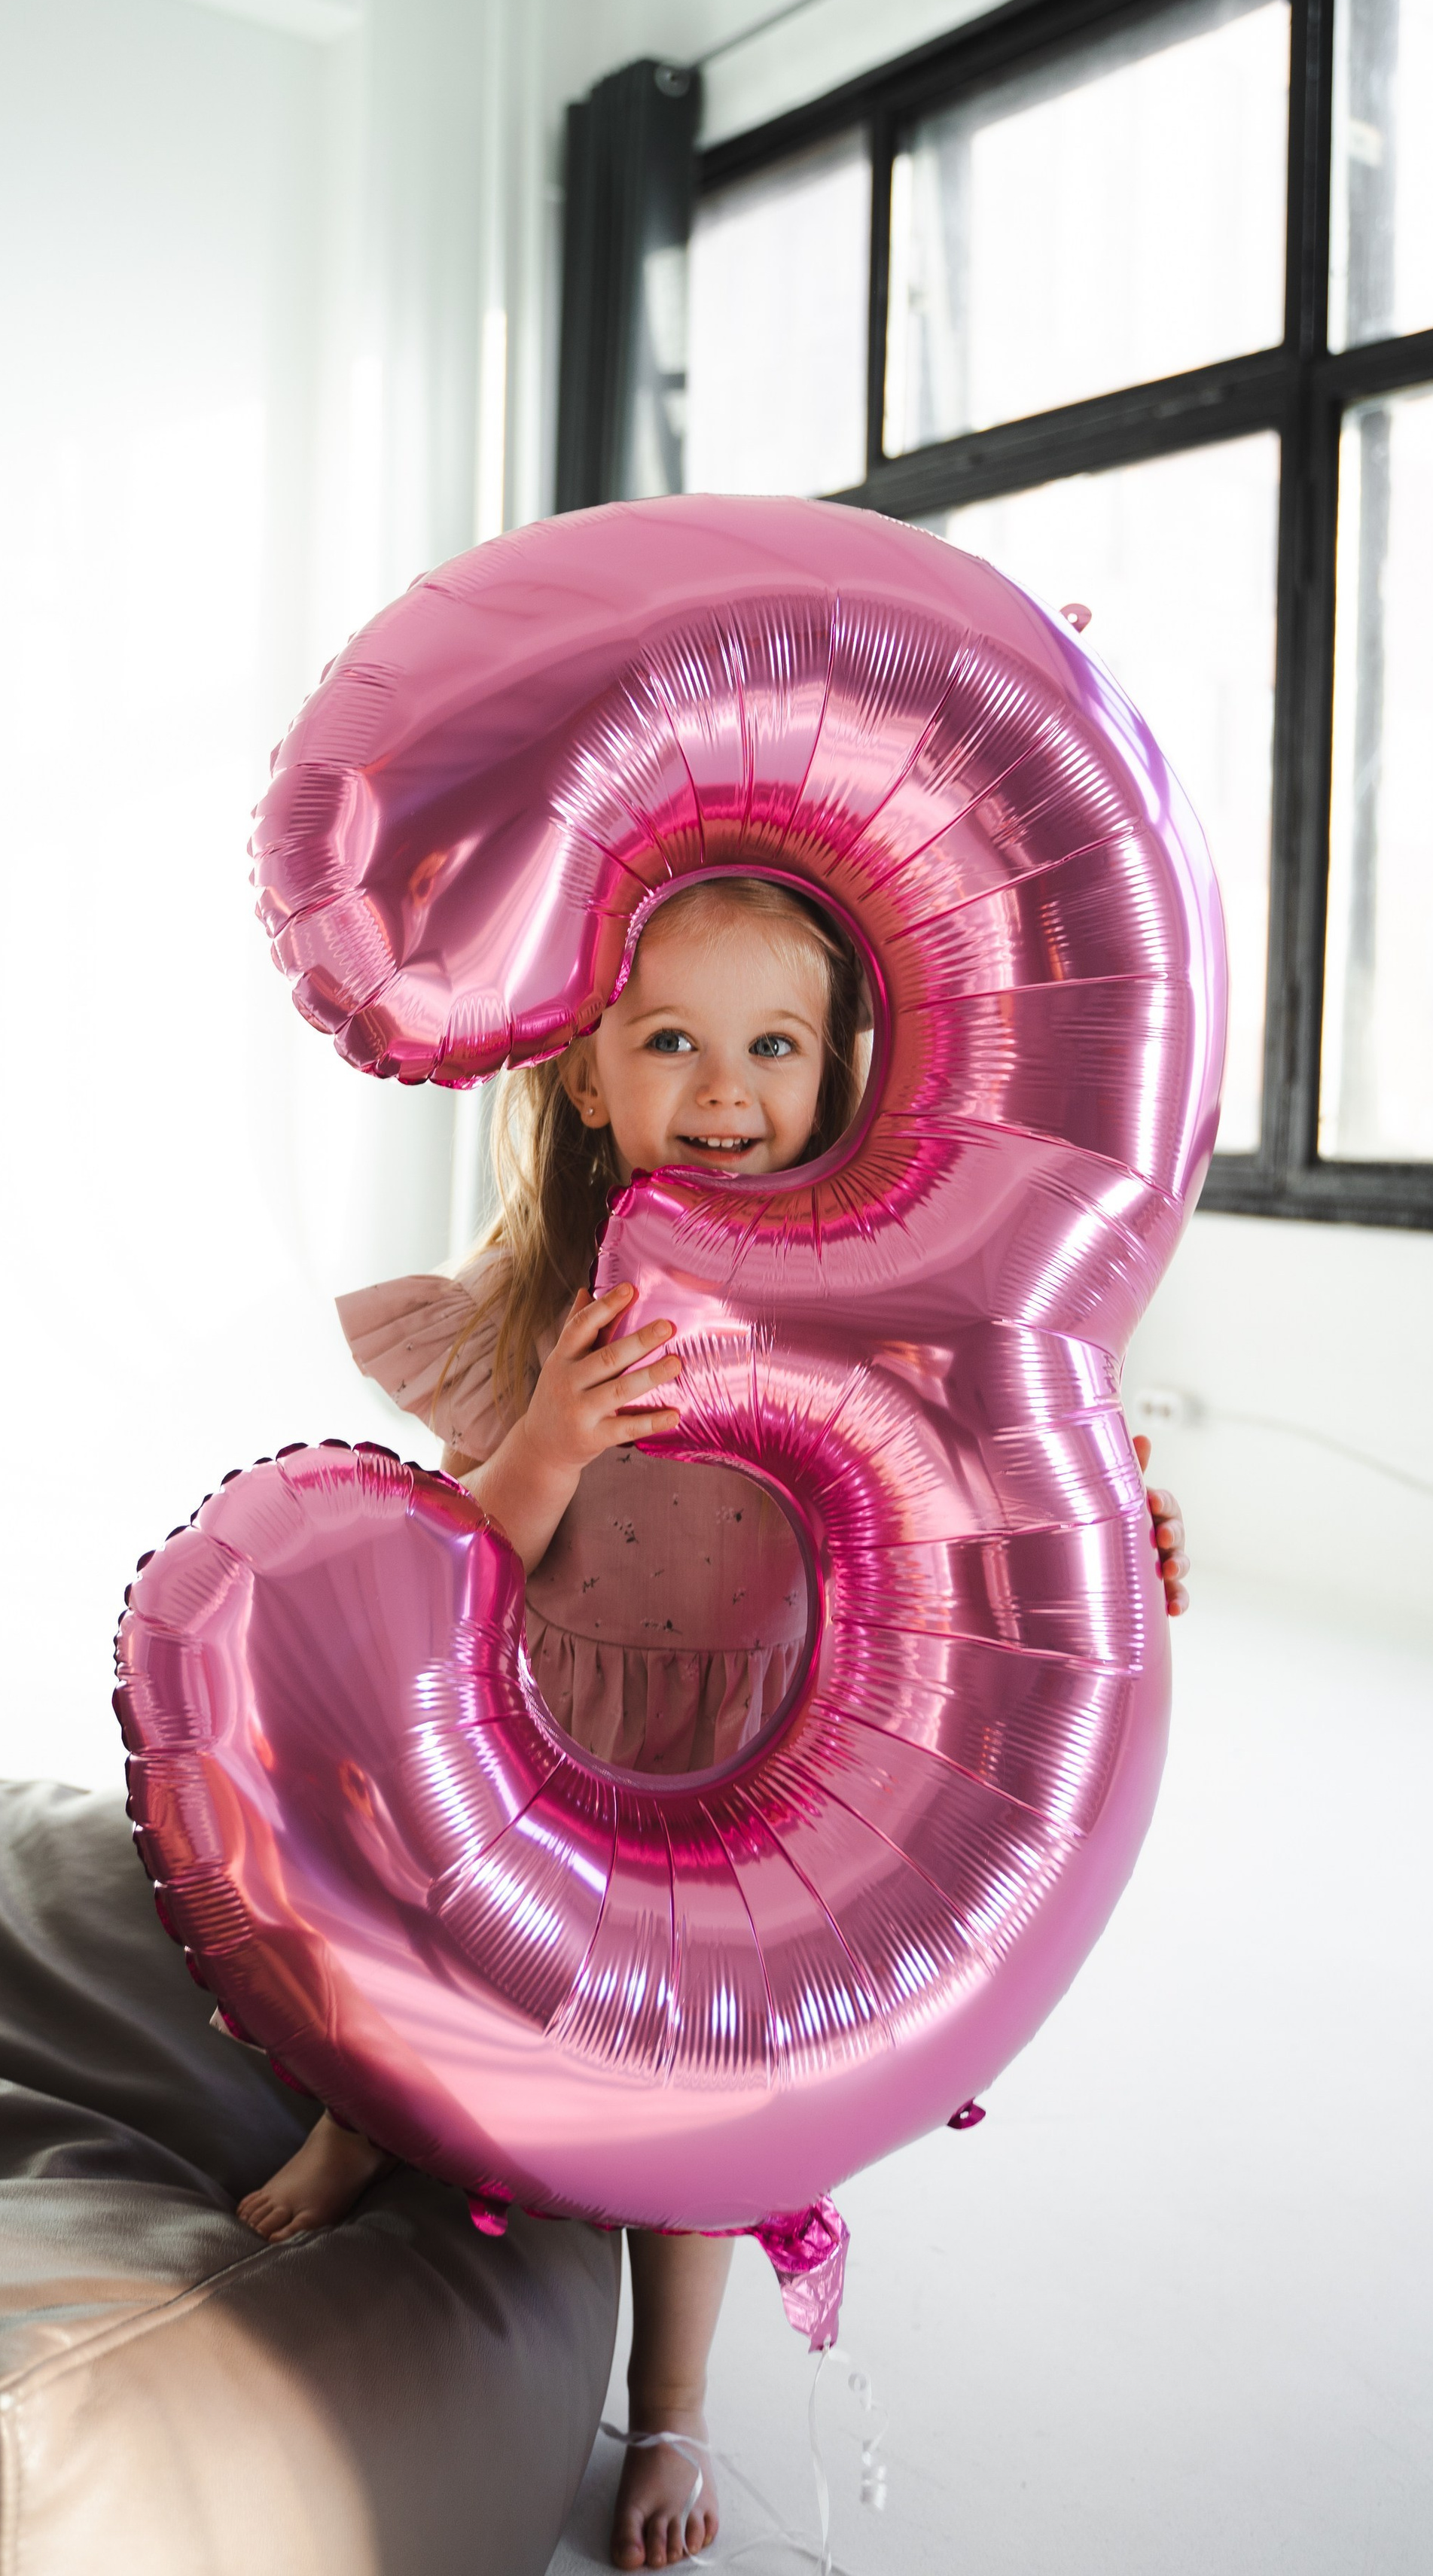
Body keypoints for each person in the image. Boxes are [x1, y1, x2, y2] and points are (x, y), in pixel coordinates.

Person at [236, 877, 1188, 2571]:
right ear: (588, 1075)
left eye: (773, 1044)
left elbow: (979, 1519)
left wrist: (1116, 1532)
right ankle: (353, 2123)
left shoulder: (881, 1306)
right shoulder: (532, 1306)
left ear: (837, 1077)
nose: (724, 1088)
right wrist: (542, 1444)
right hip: (546, 1718)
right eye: (670, 1040)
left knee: (705, 2094)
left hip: (745, 1751)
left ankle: (667, 2402)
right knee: (435, 1930)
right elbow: (449, 1573)